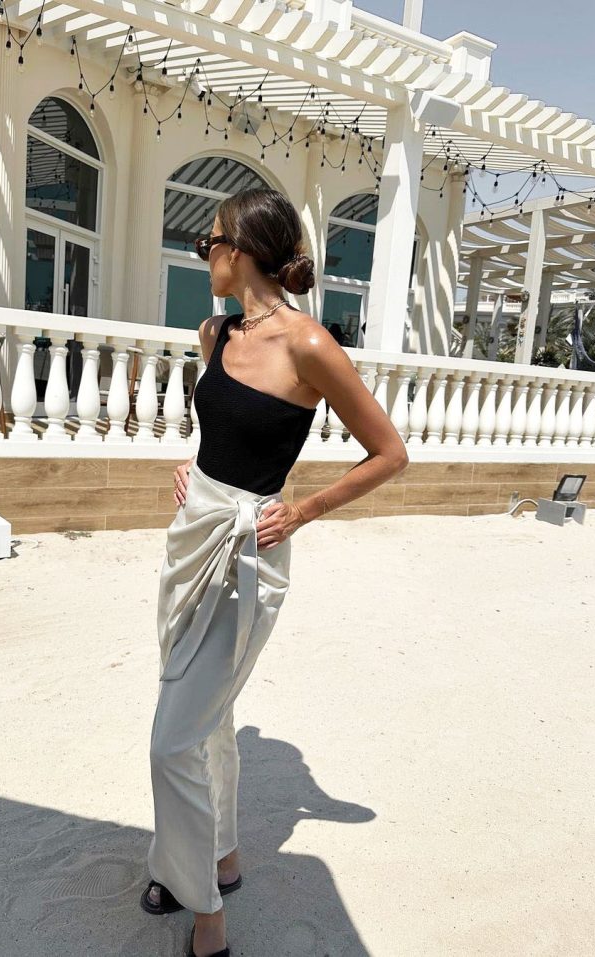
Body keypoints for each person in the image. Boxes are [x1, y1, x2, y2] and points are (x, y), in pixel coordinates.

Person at [141, 187, 408, 957]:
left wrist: (304, 509)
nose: (202, 256)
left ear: (240, 250)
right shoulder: (214, 332)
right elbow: (222, 431)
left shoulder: (309, 346)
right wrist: (193, 467)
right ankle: (221, 856)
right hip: (193, 534)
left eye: (207, 243)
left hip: (248, 549)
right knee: (211, 716)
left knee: (171, 740)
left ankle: (206, 915)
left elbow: (390, 452)